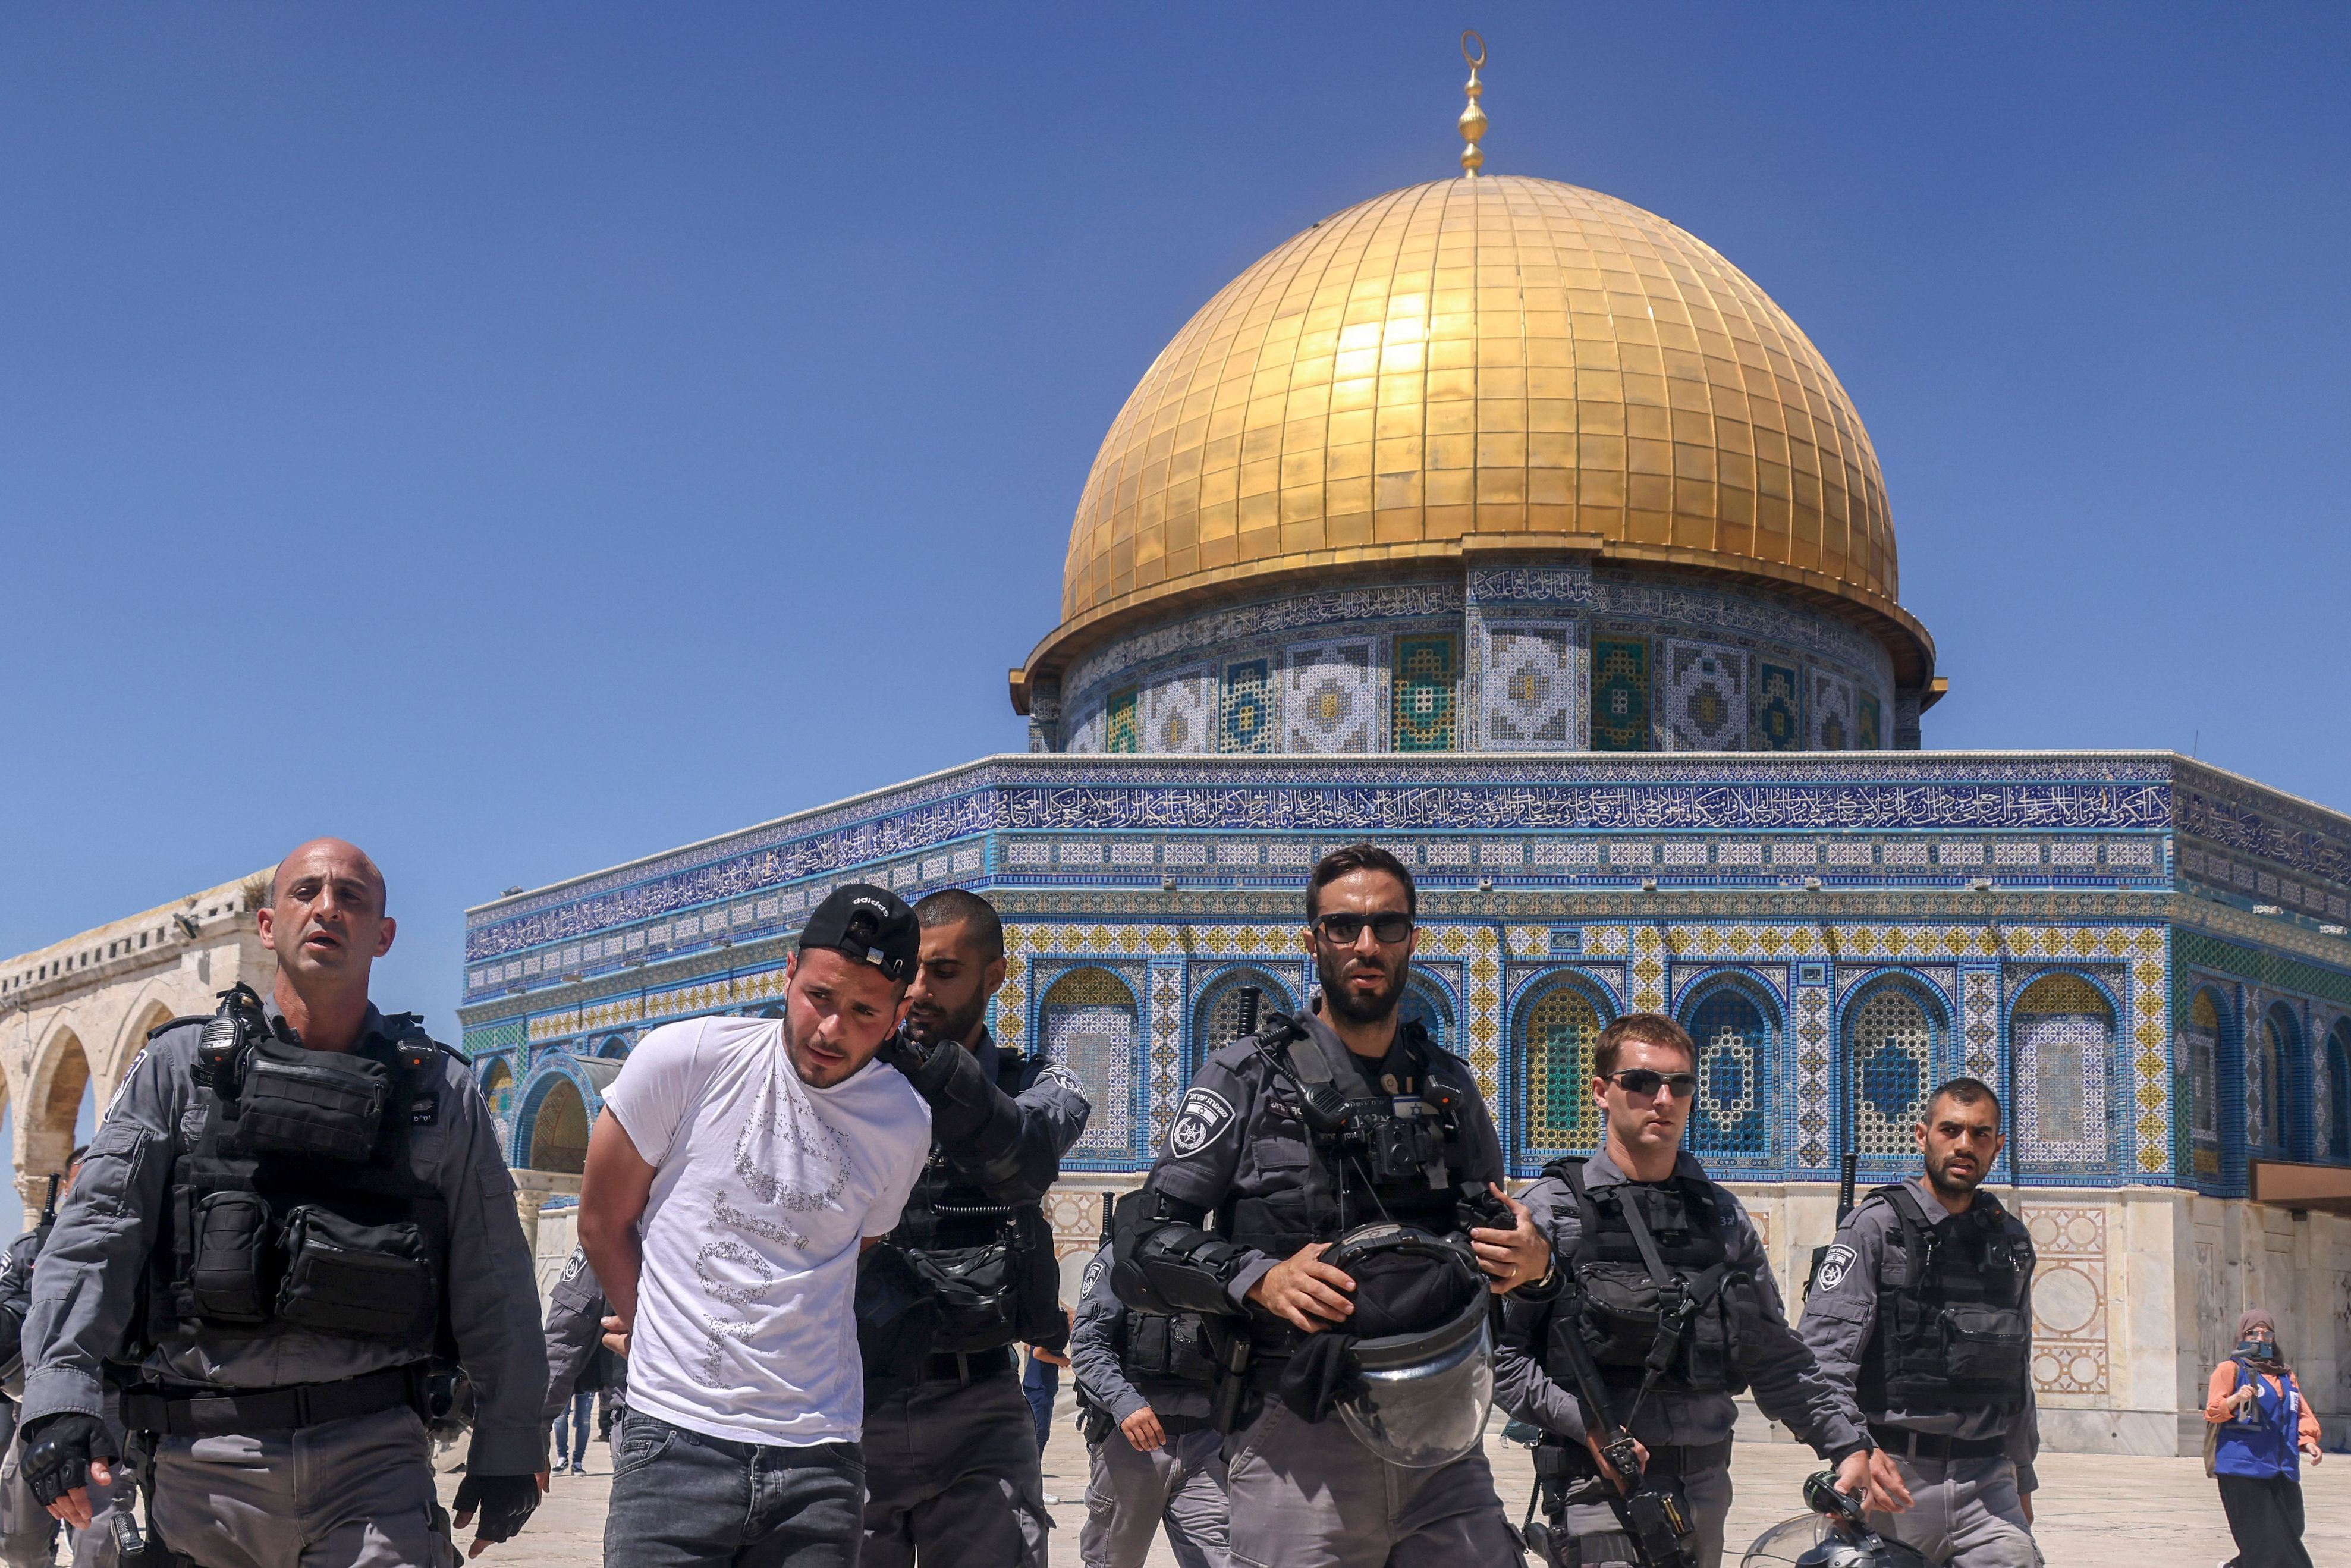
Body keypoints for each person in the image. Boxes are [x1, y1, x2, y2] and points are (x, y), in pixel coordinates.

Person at [17, 837, 549, 1567]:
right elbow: (94, 1240)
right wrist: (59, 1399)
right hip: (203, 1463)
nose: (327, 907)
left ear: (383, 935)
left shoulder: (438, 1093)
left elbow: (496, 1278)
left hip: (375, 1461)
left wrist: (511, 1440)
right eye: (306, 892)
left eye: (351, 897)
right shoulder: (179, 1070)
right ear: (267, 925)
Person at [1111, 843, 1551, 1568]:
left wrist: (1531, 1263)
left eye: (1387, 926)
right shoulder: (1245, 1075)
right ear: (1312, 940)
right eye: (1343, 927)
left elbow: (1496, 1233)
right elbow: (1146, 1242)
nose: (1366, 946)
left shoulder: (1446, 1087)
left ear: (1415, 937)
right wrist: (1260, 1278)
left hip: (1441, 1433)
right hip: (1298, 1434)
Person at [579, 884, 933, 1568]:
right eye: (820, 998)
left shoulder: (903, 1124)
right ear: (788, 973)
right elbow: (601, 1222)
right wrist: (655, 1329)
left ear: (897, 1017)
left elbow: (848, 1251)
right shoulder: (686, 1060)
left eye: (864, 1011)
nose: (832, 1030)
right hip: (675, 1442)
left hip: (819, 1457)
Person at [1493, 1013, 1868, 1568]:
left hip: (1704, 1486)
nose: (1662, 1099)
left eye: (1680, 1085)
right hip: (1598, 1484)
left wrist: (1845, 1442)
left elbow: (1773, 1354)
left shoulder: (1720, 1217)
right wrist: (1590, 1426)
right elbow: (1502, 1361)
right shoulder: (1555, 1211)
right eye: (1642, 1083)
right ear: (1602, 1091)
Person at [859, 888, 1091, 1568]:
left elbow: (1027, 1155)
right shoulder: (854, 1080)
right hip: (851, 1397)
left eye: (945, 972)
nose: (921, 990)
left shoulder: (1040, 1080)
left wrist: (934, 1075)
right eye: (912, 970)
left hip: (979, 1404)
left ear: (995, 976)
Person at [1798, 1077, 2038, 1568]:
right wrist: (1854, 1447)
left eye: (1980, 1133)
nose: (1964, 1144)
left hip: (1989, 1481)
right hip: (1895, 1478)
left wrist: (2024, 1475)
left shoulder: (2008, 1239)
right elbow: (1822, 1358)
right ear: (1922, 1134)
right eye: (1950, 1129)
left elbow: (2016, 1373)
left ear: (1998, 1145)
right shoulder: (1875, 1227)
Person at [0, 1146, 134, 1568]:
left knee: (98, 1531)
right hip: (38, 1398)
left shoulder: (131, 1245)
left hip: (108, 1399)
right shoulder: (29, 1248)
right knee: (18, 1537)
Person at [1069, 1230, 1230, 1568]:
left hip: (1208, 1442)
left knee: (1221, 1560)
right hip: (1133, 1443)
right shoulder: (1121, 1254)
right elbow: (1087, 1344)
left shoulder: (1225, 1250)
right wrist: (1126, 1404)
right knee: (1112, 1561)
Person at [2206, 1309, 2321, 1568]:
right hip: (2244, 1468)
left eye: (2266, 1332)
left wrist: (2309, 1439)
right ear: (2242, 1336)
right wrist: (2236, 1399)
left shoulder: (2285, 1374)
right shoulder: (2231, 1369)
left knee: (2291, 1530)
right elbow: (2213, 1412)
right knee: (2272, 1548)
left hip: (2283, 1468)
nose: (2260, 1338)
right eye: (2252, 1333)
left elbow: (2299, 1410)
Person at [542, 1246, 627, 1479]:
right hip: (649, 1415)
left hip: (648, 1418)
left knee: (581, 1419)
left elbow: (564, 1335)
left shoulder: (622, 1219)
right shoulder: (622, 1221)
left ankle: (575, 1461)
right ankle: (568, 1459)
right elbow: (566, 1334)